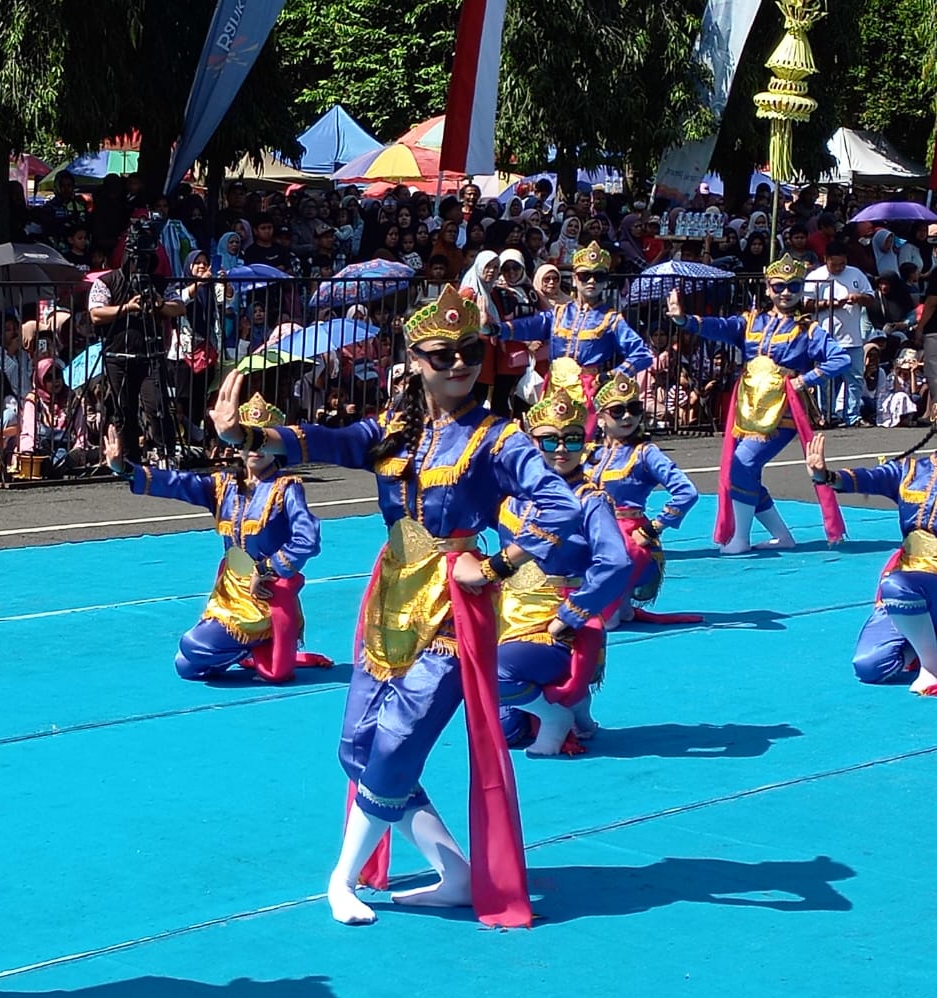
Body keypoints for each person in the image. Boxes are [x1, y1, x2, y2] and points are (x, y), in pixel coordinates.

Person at [211, 284, 583, 928]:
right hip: (389, 599)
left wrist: (495, 563)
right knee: (357, 749)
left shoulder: (498, 438)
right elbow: (321, 440)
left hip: (453, 609)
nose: (459, 364)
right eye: (442, 354)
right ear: (414, 360)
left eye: (470, 351)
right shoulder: (392, 433)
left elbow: (561, 508)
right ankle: (456, 874)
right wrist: (244, 431)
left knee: (396, 745)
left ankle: (340, 878)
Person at [105, 394, 334, 684]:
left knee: (193, 645)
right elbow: (178, 483)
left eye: (263, 441)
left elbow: (308, 538)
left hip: (264, 593)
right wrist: (126, 469)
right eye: (249, 440)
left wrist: (266, 569)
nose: (255, 449)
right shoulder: (224, 485)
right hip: (229, 591)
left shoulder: (286, 487)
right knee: (186, 666)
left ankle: (260, 638)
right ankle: (247, 646)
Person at [667, 252, 849, 554]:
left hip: (782, 410)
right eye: (779, 286)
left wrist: (805, 380)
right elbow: (719, 327)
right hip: (748, 407)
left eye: (793, 286)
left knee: (743, 464)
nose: (786, 292)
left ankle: (740, 538)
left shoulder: (808, 330)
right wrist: (683, 319)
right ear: (767, 288)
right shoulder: (751, 321)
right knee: (743, 469)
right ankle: (781, 536)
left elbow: (839, 359)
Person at [496, 390, 632, 755]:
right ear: (530, 441)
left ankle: (557, 715)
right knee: (504, 732)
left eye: (572, 439)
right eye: (549, 440)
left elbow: (616, 562)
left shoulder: (590, 501)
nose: (561, 449)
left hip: (555, 625)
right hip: (507, 618)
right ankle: (575, 711)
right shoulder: (513, 495)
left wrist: (570, 615)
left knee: (494, 673)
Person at [807, 430, 937, 694]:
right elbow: (868, 478)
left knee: (899, 585)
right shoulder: (910, 471)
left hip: (915, 586)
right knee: (871, 665)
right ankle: (923, 641)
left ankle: (931, 668)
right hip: (913, 584)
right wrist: (825, 475)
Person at [491, 241, 652, 434]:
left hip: (588, 390)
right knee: (550, 439)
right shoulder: (559, 313)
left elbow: (643, 354)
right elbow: (528, 326)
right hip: (554, 389)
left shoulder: (611, 319)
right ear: (575, 278)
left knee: (580, 441)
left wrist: (610, 375)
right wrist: (496, 329)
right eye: (585, 275)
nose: (591, 281)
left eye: (599, 276)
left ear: (605, 281)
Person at [582, 374, 699, 624]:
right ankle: (621, 606)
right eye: (617, 411)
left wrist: (652, 529)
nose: (627, 417)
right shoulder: (589, 453)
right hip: (590, 531)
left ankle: (617, 604)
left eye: (634, 409)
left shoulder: (645, 453)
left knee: (602, 623)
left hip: (626, 536)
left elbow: (686, 491)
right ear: (600, 418)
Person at [88, 236, 186, 467]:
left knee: (158, 406)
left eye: (146, 259)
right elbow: (95, 314)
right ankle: (128, 459)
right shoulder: (107, 281)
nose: (140, 264)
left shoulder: (159, 283)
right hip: (117, 355)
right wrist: (127, 308)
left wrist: (159, 305)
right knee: (123, 410)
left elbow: (180, 307)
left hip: (151, 355)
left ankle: (165, 455)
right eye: (136, 259)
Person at [803, 242, 874, 426]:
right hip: (825, 338)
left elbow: (870, 298)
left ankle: (852, 415)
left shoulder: (856, 274)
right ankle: (827, 415)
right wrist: (828, 304)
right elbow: (805, 304)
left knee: (855, 378)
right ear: (825, 259)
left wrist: (858, 298)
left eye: (842, 264)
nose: (839, 268)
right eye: (834, 264)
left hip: (852, 337)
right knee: (825, 379)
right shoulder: (815, 277)